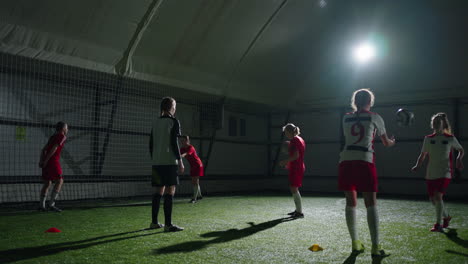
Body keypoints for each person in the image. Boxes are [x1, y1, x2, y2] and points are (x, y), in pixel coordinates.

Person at [338, 89, 395, 257]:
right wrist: (392, 141)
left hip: (346, 160)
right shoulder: (375, 116)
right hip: (364, 160)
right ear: (370, 101)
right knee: (370, 203)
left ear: (354, 101)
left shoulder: (346, 117)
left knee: (350, 203)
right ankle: (375, 248)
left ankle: (355, 244)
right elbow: (386, 143)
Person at [411, 113, 464, 232]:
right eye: (434, 122)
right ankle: (447, 216)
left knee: (438, 196)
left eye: (438, 122)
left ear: (443, 124)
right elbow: (423, 154)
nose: (435, 124)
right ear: (432, 124)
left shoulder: (450, 138)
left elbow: (460, 150)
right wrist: (417, 165)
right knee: (433, 200)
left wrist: (459, 159)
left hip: (445, 171)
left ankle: (438, 225)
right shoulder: (428, 138)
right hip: (431, 172)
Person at [149, 97, 185, 232]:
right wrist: (180, 161)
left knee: (158, 191)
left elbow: (151, 144)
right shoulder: (174, 122)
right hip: (170, 162)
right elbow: (174, 144)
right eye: (174, 105)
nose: (175, 108)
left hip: (157, 163)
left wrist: (155, 159)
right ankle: (168, 225)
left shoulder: (155, 122)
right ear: (171, 107)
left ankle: (154, 223)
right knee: (170, 190)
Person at [38, 121, 68, 212]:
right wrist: (46, 161)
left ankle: (41, 206)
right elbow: (54, 149)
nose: (67, 129)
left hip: (46, 161)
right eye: (67, 128)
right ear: (63, 129)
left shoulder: (52, 137)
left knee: (47, 183)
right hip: (53, 161)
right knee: (60, 180)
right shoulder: (62, 136)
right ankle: (51, 204)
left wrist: (41, 161)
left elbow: (43, 150)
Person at [279, 123, 306, 218]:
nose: (285, 134)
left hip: (296, 167)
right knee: (294, 188)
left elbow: (296, 156)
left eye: (286, 132)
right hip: (298, 166)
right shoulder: (300, 139)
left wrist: (284, 161)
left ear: (289, 131)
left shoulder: (294, 140)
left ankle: (299, 212)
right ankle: (298, 210)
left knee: (293, 188)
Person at [180, 135, 204, 203]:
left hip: (198, 165)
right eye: (181, 141)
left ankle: (194, 198)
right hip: (193, 166)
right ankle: (199, 196)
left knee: (195, 181)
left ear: (187, 141)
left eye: (183, 140)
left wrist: (181, 155)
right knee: (195, 181)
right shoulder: (182, 149)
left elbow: (187, 153)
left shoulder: (191, 147)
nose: (182, 142)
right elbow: (178, 154)